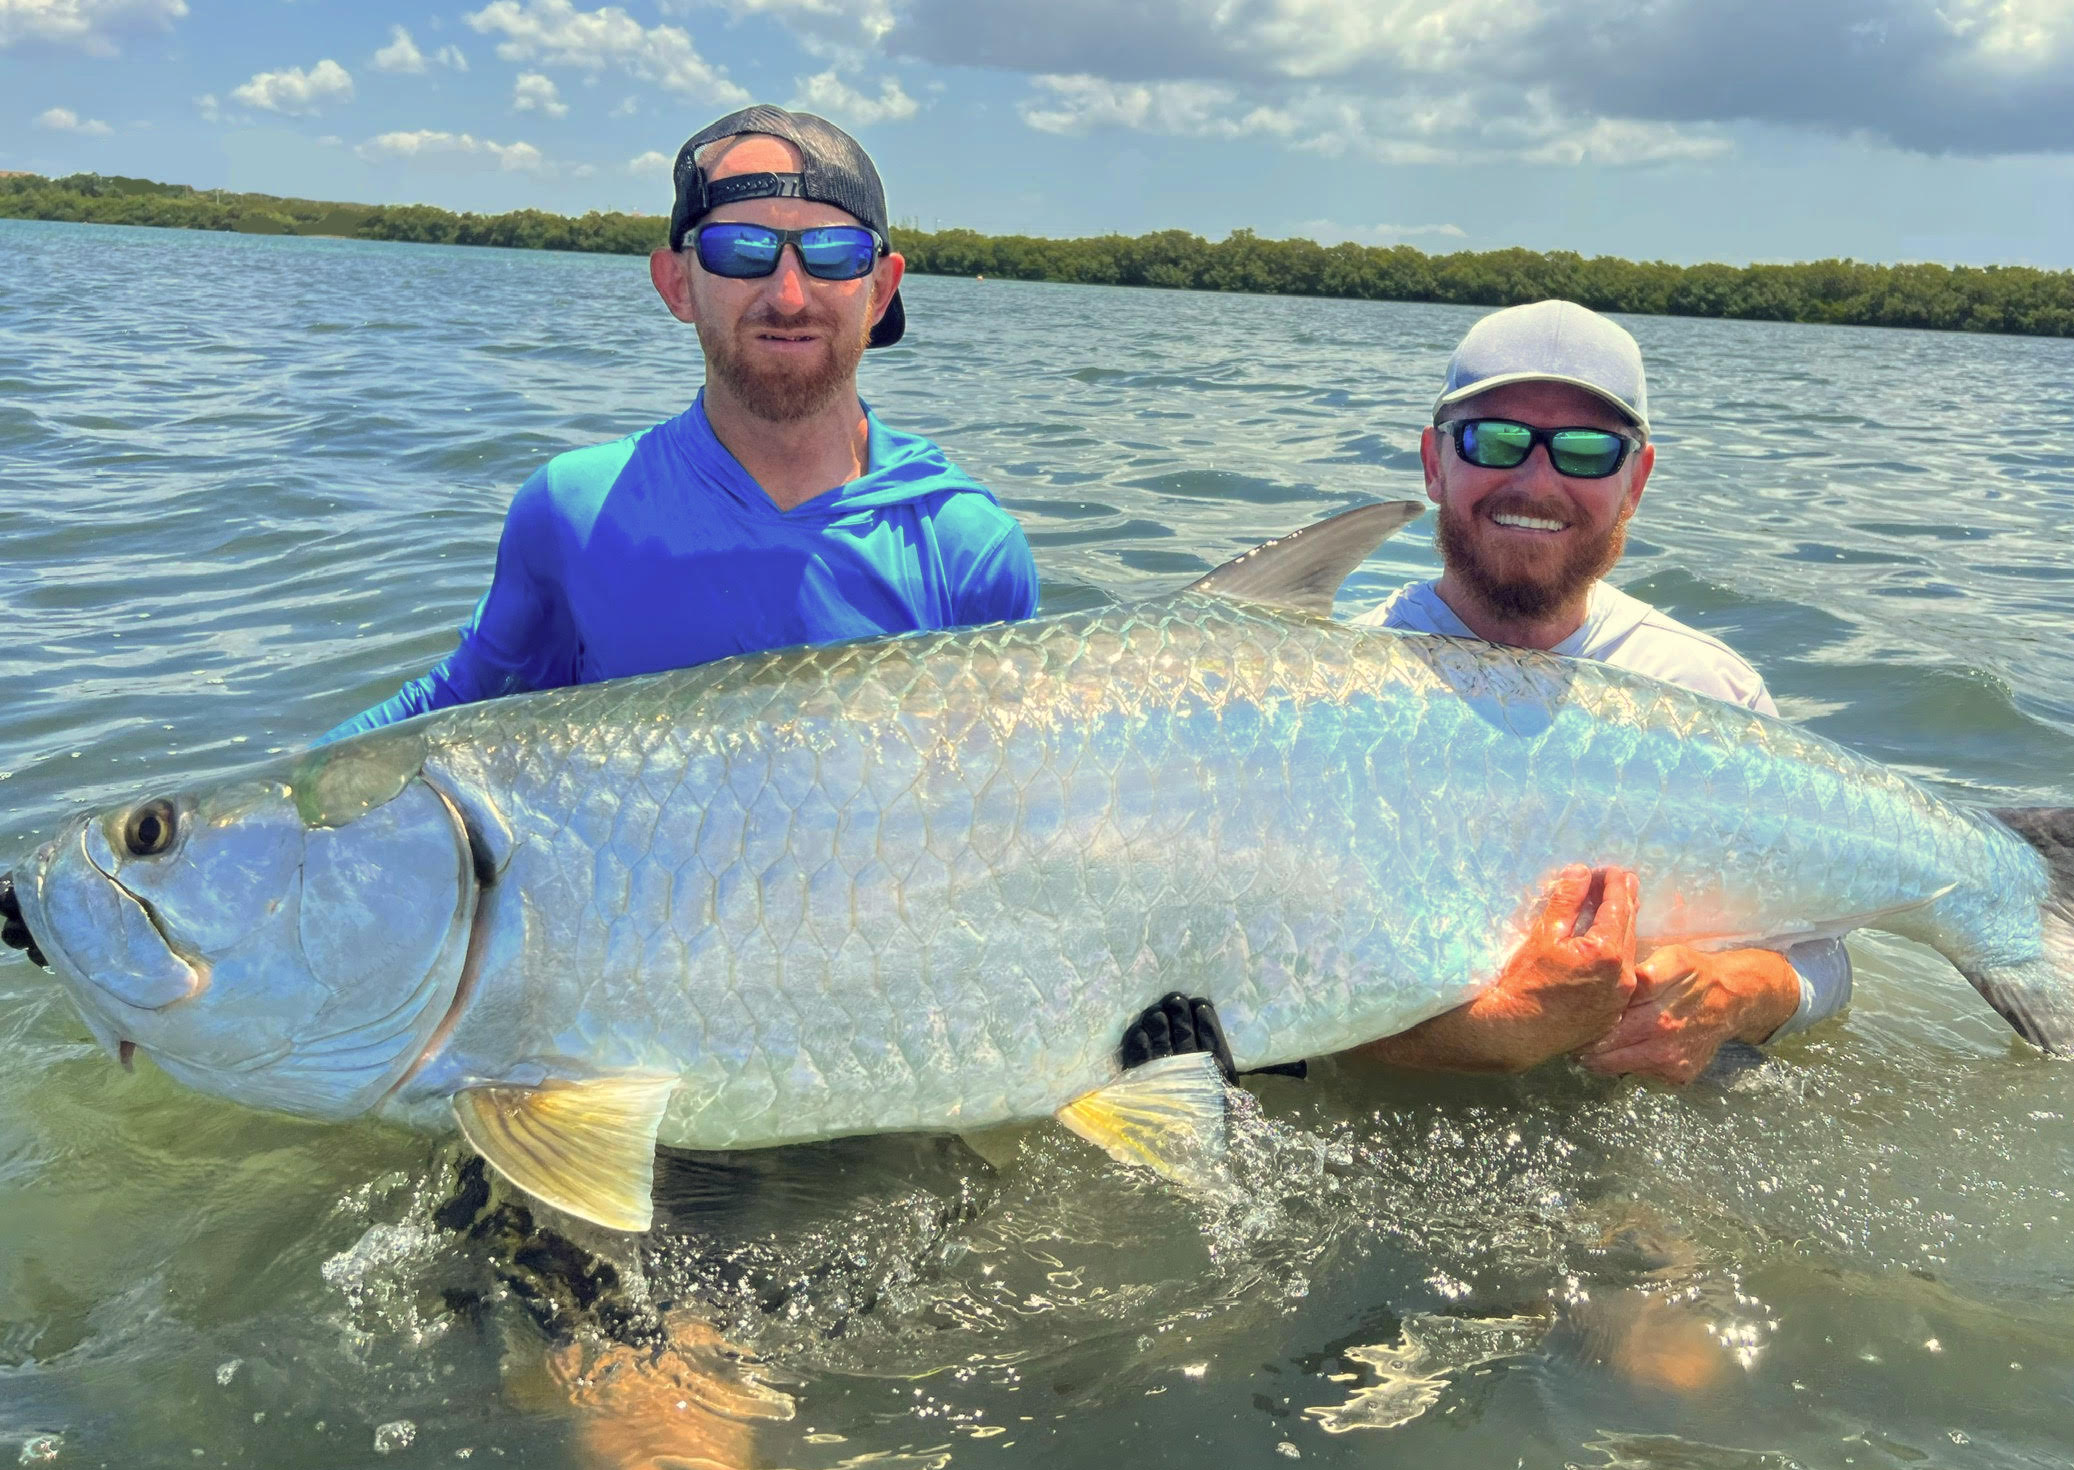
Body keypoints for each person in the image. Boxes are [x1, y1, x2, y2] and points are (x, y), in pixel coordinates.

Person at [1124, 300, 1847, 1088]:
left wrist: (1739, 994)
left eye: (1584, 451)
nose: (1536, 482)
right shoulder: (1317, 696)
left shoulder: (1705, 690)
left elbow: (1825, 952)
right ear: (1434, 461)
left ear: (1634, 481)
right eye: (1495, 440)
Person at [321, 106, 1036, 742]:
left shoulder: (966, 548)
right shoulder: (574, 512)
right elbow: (458, 709)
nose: (789, 296)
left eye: (832, 255)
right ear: (675, 283)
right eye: (740, 251)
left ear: (879, 289)